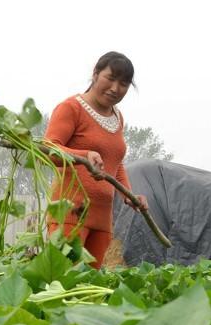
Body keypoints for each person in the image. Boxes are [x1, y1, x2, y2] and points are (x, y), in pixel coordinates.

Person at [43, 51, 146, 268]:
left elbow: (114, 164)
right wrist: (84, 156)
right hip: (70, 212)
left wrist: (129, 194)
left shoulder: (117, 118)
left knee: (91, 287)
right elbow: (48, 150)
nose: (115, 88)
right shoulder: (72, 108)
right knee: (64, 280)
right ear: (96, 74)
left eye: (124, 84)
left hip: (102, 218)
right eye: (110, 78)